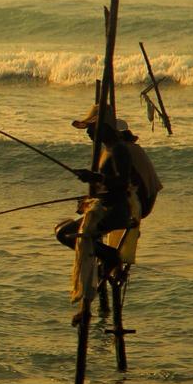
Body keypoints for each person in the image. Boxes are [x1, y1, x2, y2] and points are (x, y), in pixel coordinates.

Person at [60, 104, 140, 323]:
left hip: (115, 211)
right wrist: (92, 182)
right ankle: (103, 255)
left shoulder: (119, 149)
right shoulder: (106, 149)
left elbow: (121, 183)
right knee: (64, 228)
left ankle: (109, 255)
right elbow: (106, 184)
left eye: (91, 127)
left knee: (66, 233)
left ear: (103, 127)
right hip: (104, 207)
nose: (87, 132)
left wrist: (95, 178)